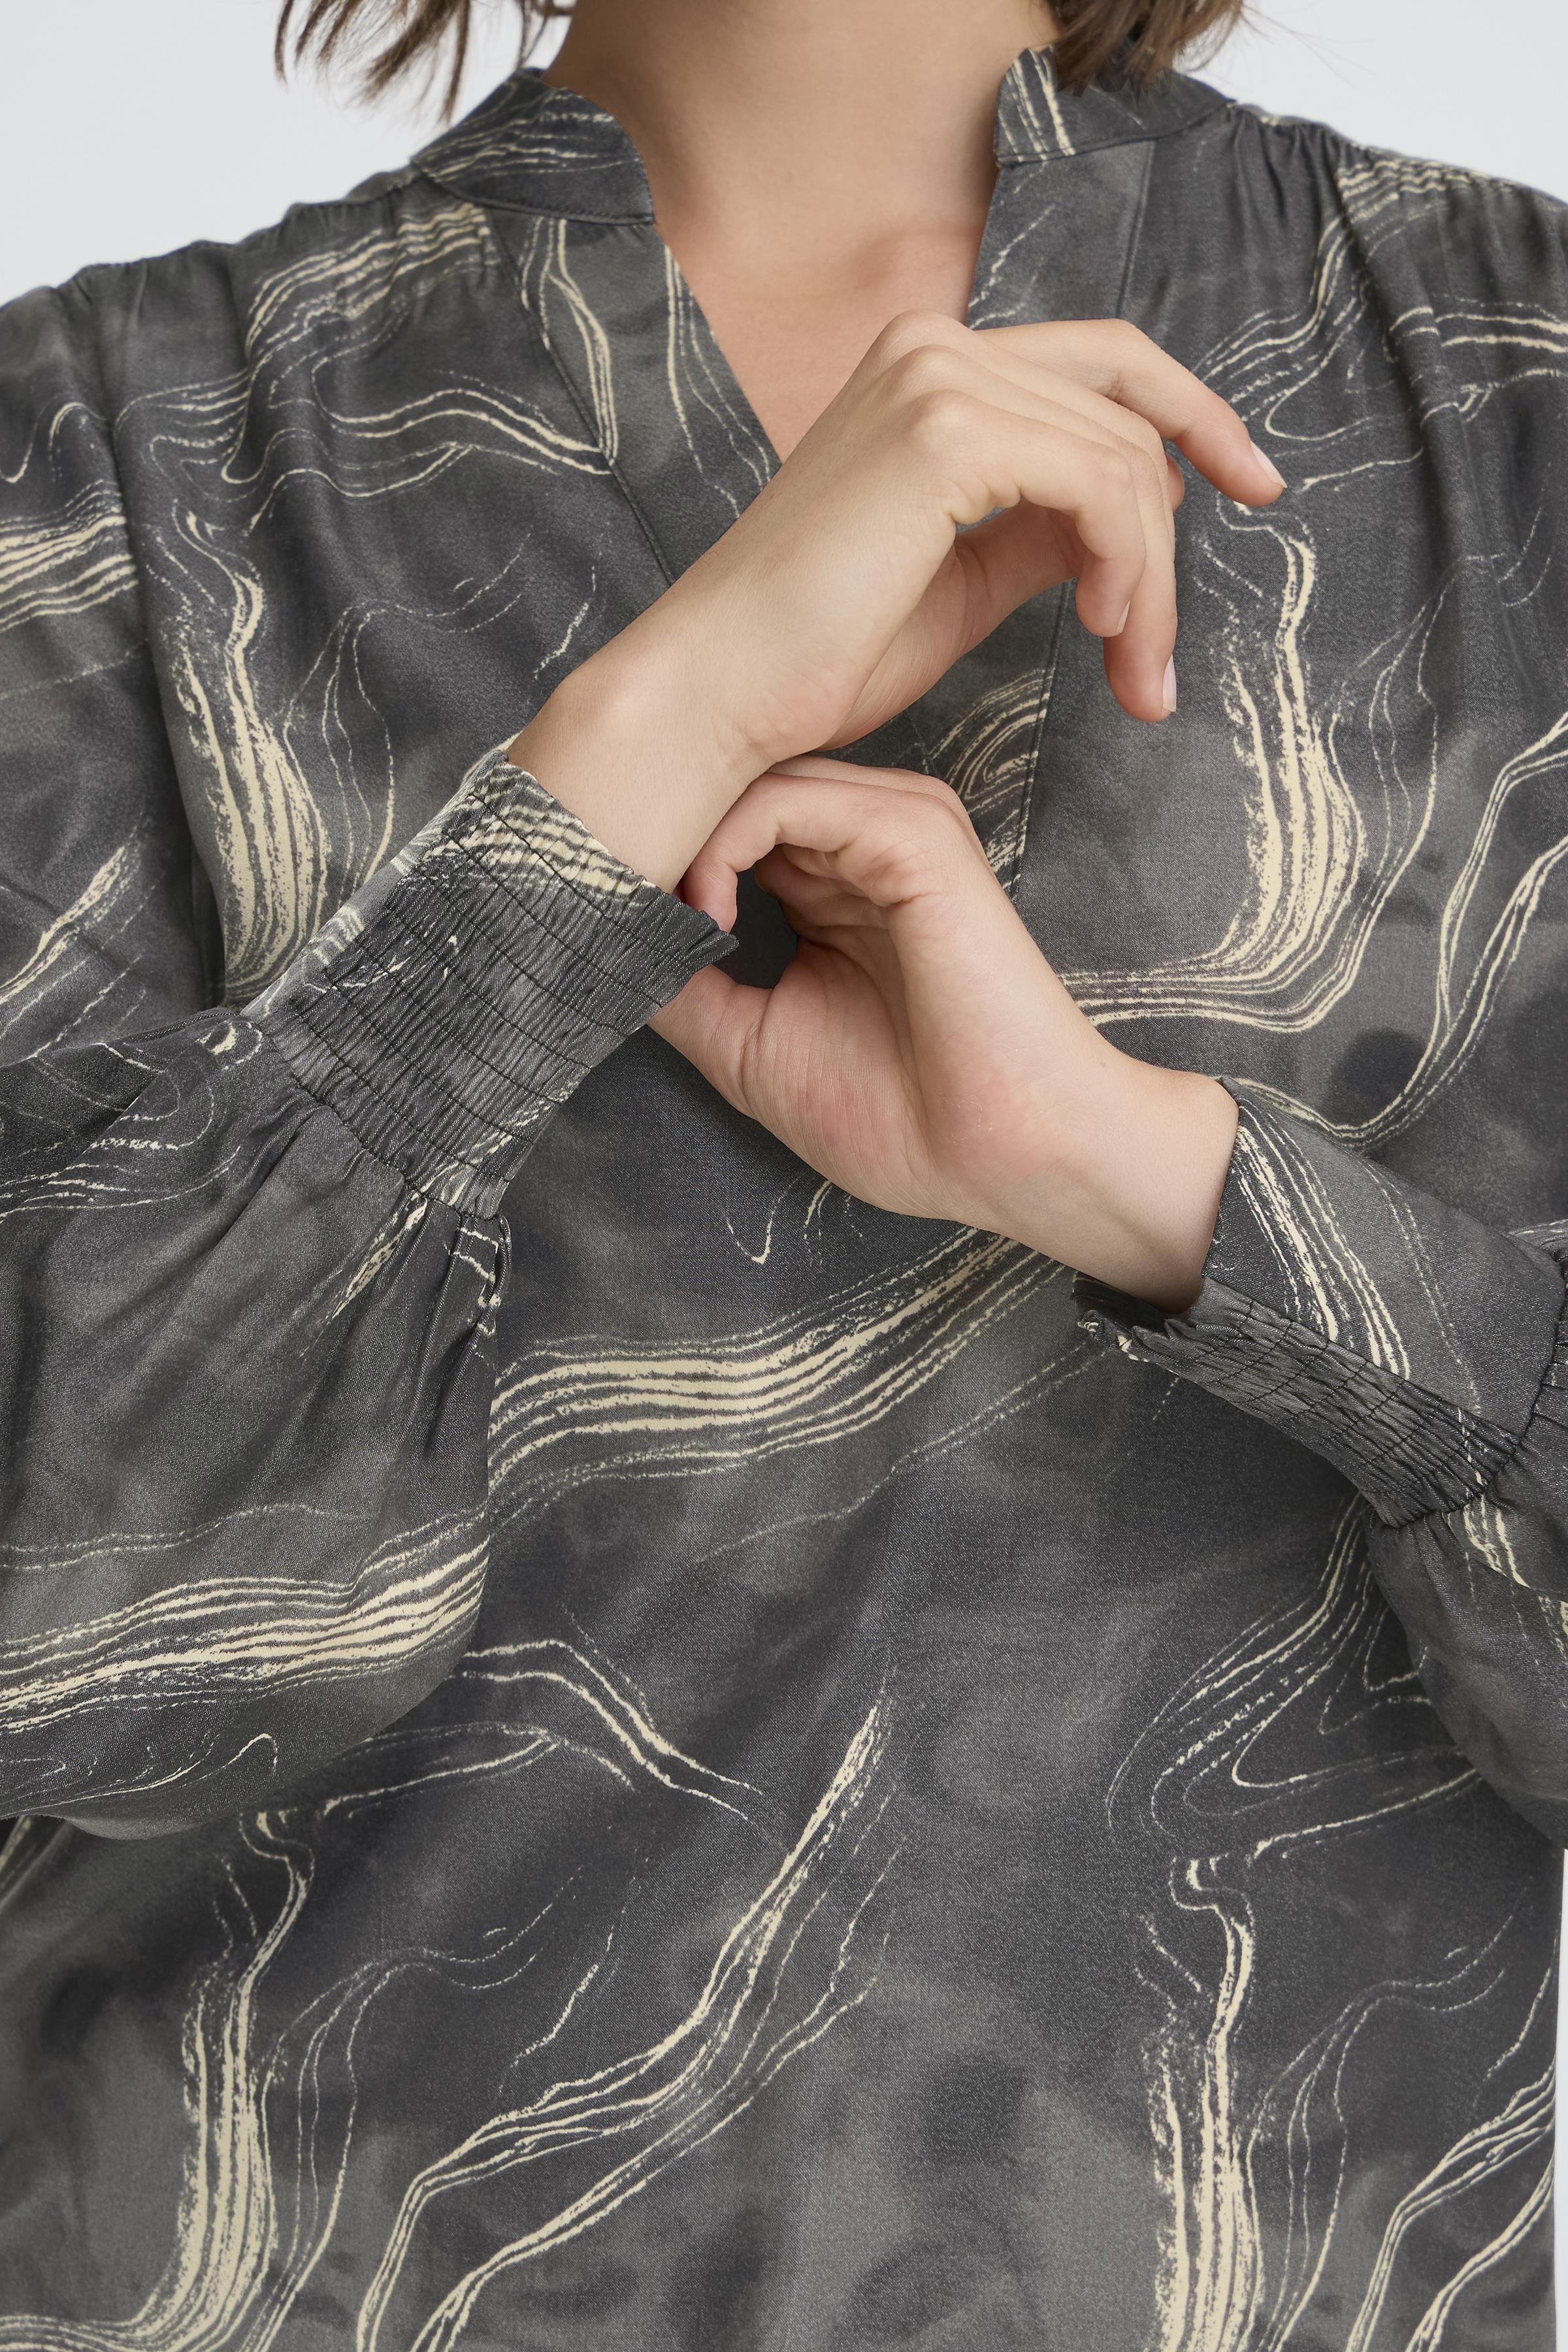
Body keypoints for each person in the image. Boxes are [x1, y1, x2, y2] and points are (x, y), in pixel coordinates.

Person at [0, 0, 1563, 2334]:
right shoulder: (87, 469)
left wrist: (1180, 1200)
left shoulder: (1519, 399)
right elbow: (73, 1645)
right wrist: (635, 753)